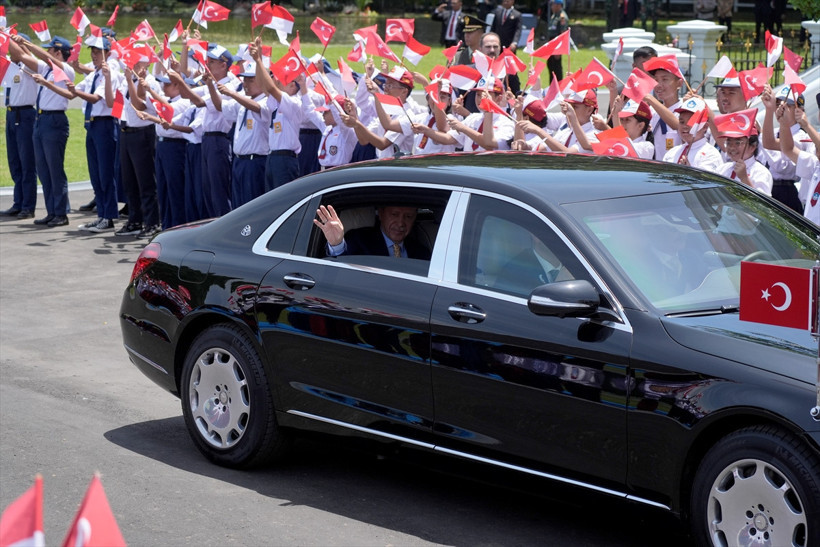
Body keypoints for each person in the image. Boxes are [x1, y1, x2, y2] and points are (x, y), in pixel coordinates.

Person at [7, 35, 73, 227]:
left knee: (54, 169)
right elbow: (21, 55)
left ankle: (61, 212)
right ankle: (52, 211)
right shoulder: (47, 70)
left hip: (55, 120)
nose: (47, 54)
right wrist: (7, 38)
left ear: (58, 53)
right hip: (41, 119)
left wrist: (25, 43)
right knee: (44, 170)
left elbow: (43, 57)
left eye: (51, 50)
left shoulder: (64, 69)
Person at [71, 37, 123, 233]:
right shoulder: (95, 75)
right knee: (95, 174)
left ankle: (108, 217)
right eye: (92, 52)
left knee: (106, 173)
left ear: (108, 53)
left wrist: (74, 91)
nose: (94, 55)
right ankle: (101, 214)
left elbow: (95, 98)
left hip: (105, 125)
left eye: (98, 52)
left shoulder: (110, 74)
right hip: (92, 126)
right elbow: (74, 92)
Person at [115, 61, 160, 237]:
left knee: (146, 180)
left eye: (135, 61)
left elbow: (139, 105)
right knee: (129, 180)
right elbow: (118, 105)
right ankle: (134, 219)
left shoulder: (149, 82)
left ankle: (152, 222)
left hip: (143, 132)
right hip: (127, 131)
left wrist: (129, 82)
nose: (130, 65)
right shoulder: (128, 80)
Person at [218, 61, 272, 207]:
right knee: (239, 205)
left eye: (251, 79)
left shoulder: (268, 101)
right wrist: (211, 84)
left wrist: (233, 94)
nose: (246, 84)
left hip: (256, 162)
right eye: (244, 79)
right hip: (239, 161)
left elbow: (258, 108)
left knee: (252, 206)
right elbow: (220, 106)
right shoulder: (243, 102)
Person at [314, 204, 432, 260]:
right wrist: (336, 244)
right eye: (394, 215)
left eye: (408, 216)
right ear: (381, 214)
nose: (401, 223)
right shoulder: (359, 240)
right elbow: (339, 265)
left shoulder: (421, 252)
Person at [3, 33, 38, 220]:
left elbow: (29, 58)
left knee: (27, 163)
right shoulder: (9, 65)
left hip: (25, 115)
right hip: (11, 114)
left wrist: (15, 41)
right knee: (14, 161)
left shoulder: (30, 66)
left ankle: (28, 205)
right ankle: (18, 202)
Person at [663, 97, 723, 171]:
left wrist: (689, 171)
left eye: (691, 122)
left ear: (705, 126)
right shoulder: (672, 152)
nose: (685, 126)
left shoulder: (711, 154)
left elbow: (708, 181)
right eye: (682, 122)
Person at [543, 0, 568, 83]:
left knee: (556, 67)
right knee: (550, 65)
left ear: (558, 5)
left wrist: (559, 50)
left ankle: (558, 85)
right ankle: (552, 85)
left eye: (553, 5)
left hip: (557, 46)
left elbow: (562, 34)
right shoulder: (554, 15)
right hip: (552, 44)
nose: (552, 7)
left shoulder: (562, 17)